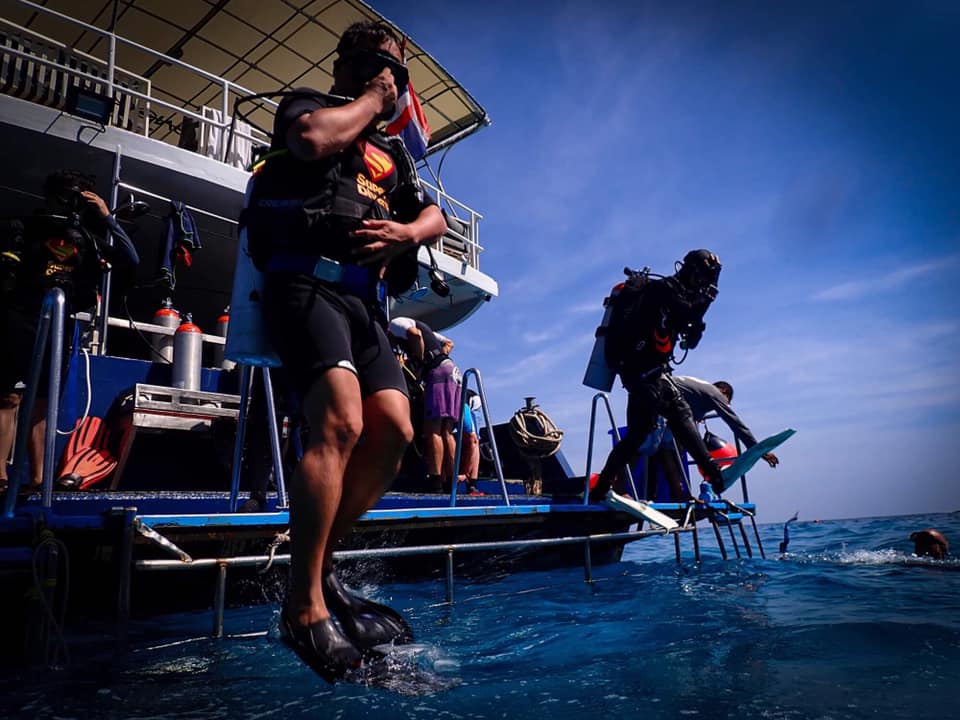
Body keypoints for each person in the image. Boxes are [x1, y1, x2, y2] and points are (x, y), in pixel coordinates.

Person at [241, 21, 446, 681]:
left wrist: (404, 235)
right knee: (340, 422)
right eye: (378, 68)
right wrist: (370, 101)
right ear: (352, 67)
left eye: (393, 75)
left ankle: (321, 567)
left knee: (392, 430)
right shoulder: (310, 106)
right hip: (306, 283)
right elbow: (309, 142)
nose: (387, 82)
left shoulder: (393, 153)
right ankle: (302, 608)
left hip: (366, 305)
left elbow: (434, 216)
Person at [0, 169, 138, 492]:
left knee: (43, 403)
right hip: (21, 318)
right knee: (9, 397)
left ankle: (37, 480)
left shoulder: (88, 240)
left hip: (59, 325)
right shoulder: (27, 229)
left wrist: (107, 217)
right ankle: (1, 479)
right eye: (65, 195)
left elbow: (130, 259)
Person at [590, 249, 725, 503]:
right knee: (680, 413)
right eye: (701, 278)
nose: (702, 285)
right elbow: (688, 313)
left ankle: (601, 488)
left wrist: (697, 324)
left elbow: (690, 337)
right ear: (690, 270)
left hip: (648, 372)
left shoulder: (683, 297)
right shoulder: (663, 289)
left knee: (637, 435)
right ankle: (713, 471)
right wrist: (712, 290)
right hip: (640, 371)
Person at [387, 316, 461, 492]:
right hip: (452, 370)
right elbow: (450, 343)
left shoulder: (396, 324)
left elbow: (415, 335)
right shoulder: (429, 330)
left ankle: (435, 482)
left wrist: (420, 361)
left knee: (432, 429)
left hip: (438, 373)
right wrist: (436, 357)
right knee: (447, 430)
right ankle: (451, 483)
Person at [673, 376, 780, 468]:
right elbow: (736, 424)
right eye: (727, 401)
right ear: (724, 390)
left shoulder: (701, 391)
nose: (724, 405)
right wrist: (759, 451)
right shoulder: (716, 394)